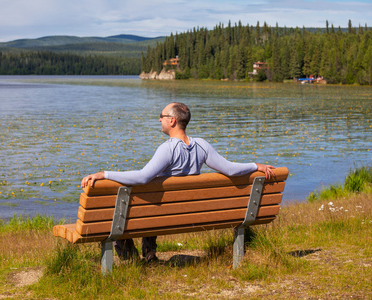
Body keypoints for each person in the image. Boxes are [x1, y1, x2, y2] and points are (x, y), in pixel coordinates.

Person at [81, 102, 275, 262]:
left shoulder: (168, 149)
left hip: (155, 214)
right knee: (153, 203)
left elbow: (142, 177)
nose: (159, 119)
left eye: (162, 116)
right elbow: (231, 169)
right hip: (185, 215)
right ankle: (149, 254)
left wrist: (104, 174)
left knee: (136, 208)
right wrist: (255, 165)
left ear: (172, 121)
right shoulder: (202, 145)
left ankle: (132, 262)